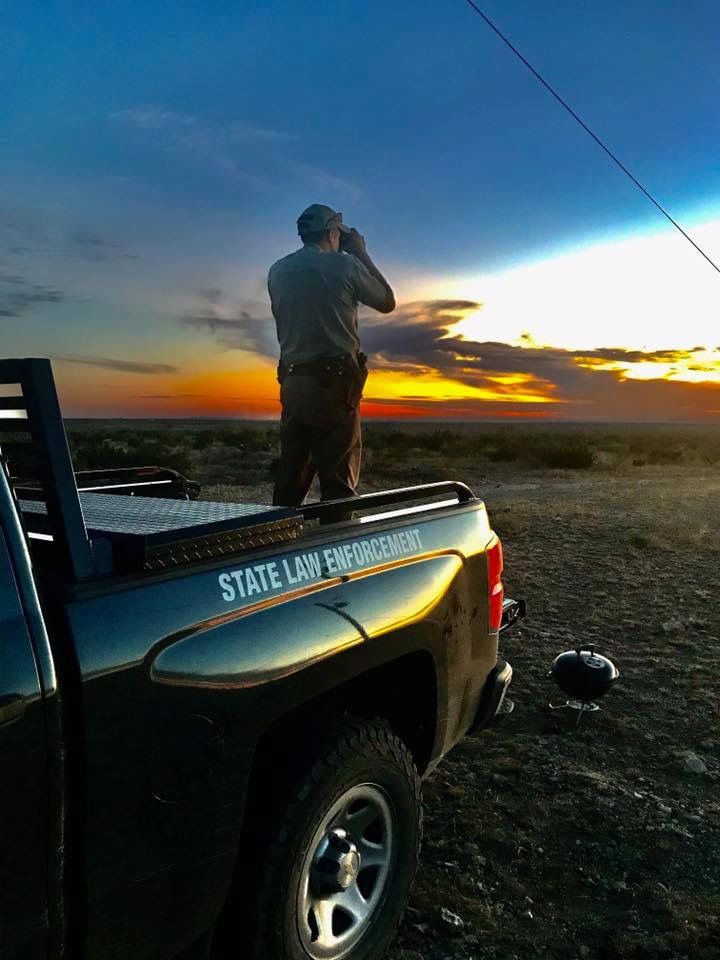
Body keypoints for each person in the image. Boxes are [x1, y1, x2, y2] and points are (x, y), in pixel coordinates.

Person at [268, 203, 395, 514]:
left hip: (294, 382)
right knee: (339, 488)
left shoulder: (278, 270)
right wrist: (360, 253)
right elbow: (387, 301)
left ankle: (272, 547)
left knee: (290, 481)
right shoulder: (344, 266)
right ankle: (337, 554)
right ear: (332, 232)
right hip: (334, 386)